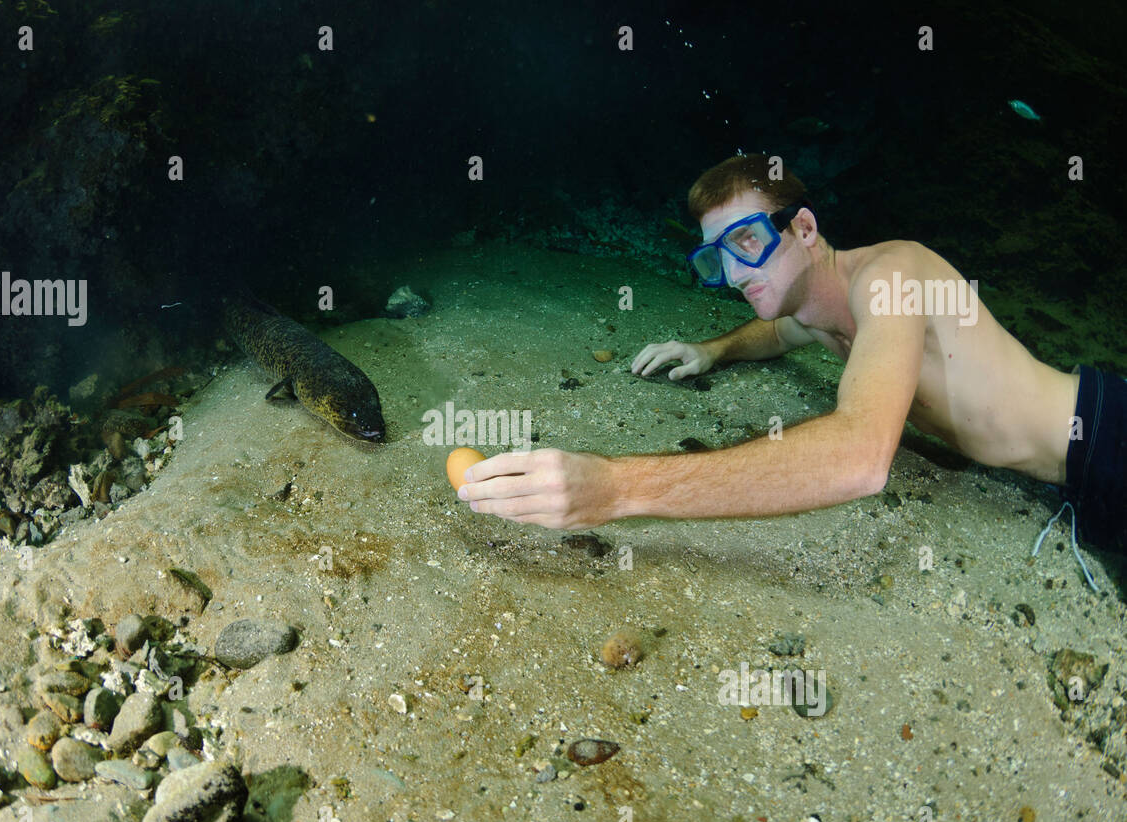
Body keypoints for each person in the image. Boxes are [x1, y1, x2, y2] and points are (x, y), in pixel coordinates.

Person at [456, 154, 1124, 586]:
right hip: (1063, 476)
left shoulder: (894, 274)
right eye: (717, 257)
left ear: (804, 228)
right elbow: (777, 331)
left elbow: (862, 458)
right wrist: (711, 349)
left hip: (1107, 437)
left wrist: (616, 486)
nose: (737, 272)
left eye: (748, 240)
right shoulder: (817, 306)